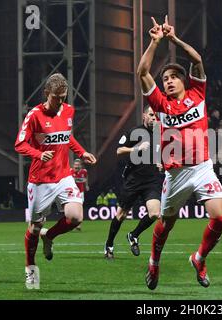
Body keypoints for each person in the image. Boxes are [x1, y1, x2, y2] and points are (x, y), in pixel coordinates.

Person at [137, 16, 222, 290]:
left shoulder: (198, 93)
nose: (169, 81)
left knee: (220, 216)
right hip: (175, 175)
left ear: (185, 81)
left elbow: (197, 59)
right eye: (165, 78)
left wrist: (174, 40)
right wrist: (154, 43)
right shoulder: (160, 104)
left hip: (201, 168)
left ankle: (199, 258)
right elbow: (142, 72)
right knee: (166, 223)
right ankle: (154, 262)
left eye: (174, 77)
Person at [14, 73, 97, 290]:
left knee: (76, 217)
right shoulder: (34, 115)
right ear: (46, 94)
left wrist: (82, 152)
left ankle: (49, 237)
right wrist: (38, 154)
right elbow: (19, 144)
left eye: (63, 97)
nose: (60, 102)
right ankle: (30, 269)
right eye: (56, 97)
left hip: (64, 176)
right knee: (34, 228)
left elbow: (67, 136)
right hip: (40, 180)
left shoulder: (68, 110)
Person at [104, 105, 163, 260]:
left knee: (155, 213)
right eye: (150, 115)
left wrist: (160, 162)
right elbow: (118, 150)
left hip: (152, 180)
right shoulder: (134, 132)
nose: (153, 118)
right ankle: (109, 245)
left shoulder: (160, 133)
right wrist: (136, 148)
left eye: (155, 116)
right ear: (144, 115)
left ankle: (133, 235)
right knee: (121, 215)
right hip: (134, 180)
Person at [70, 159, 89, 231]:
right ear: (73, 165)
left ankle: (78, 224)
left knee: (79, 208)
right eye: (76, 165)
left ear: (80, 165)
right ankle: (72, 224)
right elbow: (75, 180)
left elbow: (86, 178)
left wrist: (86, 185)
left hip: (80, 192)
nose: (77, 166)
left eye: (78, 165)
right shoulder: (70, 171)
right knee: (73, 209)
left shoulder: (84, 171)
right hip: (72, 193)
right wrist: (81, 180)